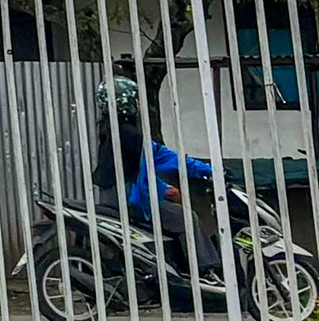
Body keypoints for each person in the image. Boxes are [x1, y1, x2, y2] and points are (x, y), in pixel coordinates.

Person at [88, 75, 220, 284]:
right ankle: (206, 271)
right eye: (136, 100)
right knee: (187, 218)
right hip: (130, 201)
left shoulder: (111, 130)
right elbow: (141, 176)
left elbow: (160, 160)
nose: (139, 105)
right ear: (127, 102)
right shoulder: (130, 136)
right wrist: (165, 190)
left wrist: (208, 169)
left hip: (114, 198)